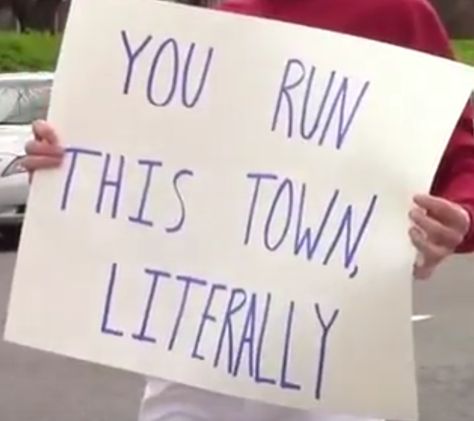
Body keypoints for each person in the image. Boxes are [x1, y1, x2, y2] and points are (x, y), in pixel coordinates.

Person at [23, 0, 474, 420]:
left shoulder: (396, 13)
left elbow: (462, 155)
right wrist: (66, 164)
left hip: (330, 363)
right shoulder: (218, 21)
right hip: (191, 359)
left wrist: (458, 218)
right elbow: (147, 168)